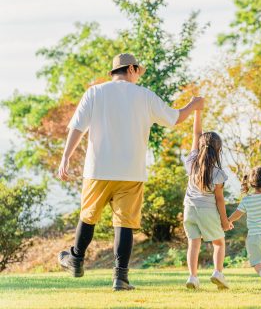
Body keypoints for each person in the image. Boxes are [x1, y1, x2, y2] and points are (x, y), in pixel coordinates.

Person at [57, 53, 204, 291]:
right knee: (124, 224)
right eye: (139, 72)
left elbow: (77, 128)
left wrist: (65, 157)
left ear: (115, 72)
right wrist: (194, 105)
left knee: (88, 216)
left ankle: (76, 258)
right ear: (133, 69)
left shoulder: (95, 92)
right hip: (131, 172)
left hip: (98, 168)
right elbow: (175, 118)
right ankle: (120, 278)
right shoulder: (144, 96)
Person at [183, 109, 232, 290]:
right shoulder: (218, 173)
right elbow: (219, 200)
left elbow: (196, 134)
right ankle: (218, 273)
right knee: (218, 242)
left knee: (193, 244)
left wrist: (197, 111)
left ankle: (193, 277)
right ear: (218, 150)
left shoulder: (192, 163)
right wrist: (225, 221)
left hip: (189, 209)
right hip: (207, 211)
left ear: (200, 146)